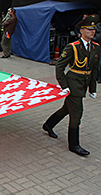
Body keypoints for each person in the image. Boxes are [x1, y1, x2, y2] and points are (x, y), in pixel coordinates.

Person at [42, 14, 100, 156]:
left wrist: (92, 88)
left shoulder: (96, 47)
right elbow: (59, 66)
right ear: (81, 31)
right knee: (77, 113)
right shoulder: (72, 47)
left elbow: (93, 69)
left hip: (84, 84)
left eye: (94, 30)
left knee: (67, 108)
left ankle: (48, 125)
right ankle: (74, 144)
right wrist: (63, 85)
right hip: (73, 84)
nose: (92, 32)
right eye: (89, 30)